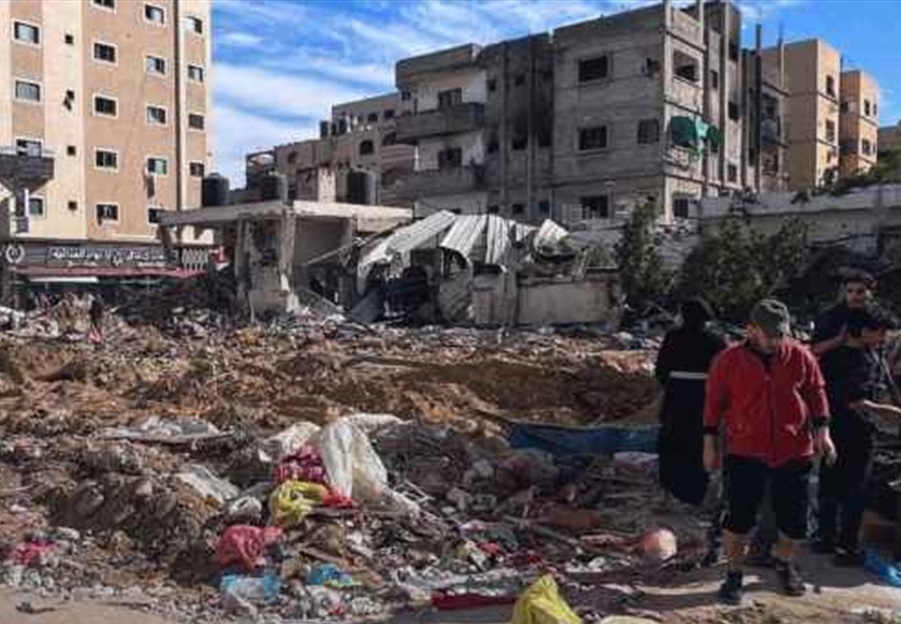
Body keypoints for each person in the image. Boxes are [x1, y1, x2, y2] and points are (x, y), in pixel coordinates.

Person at [704, 299, 836, 604]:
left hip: (794, 450)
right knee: (739, 519)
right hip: (745, 450)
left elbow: (816, 394)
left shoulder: (800, 356)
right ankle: (734, 575)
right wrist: (709, 445)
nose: (776, 340)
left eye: (781, 334)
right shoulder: (728, 360)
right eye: (770, 334)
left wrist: (824, 433)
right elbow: (713, 404)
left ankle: (784, 562)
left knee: (795, 522)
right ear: (751, 330)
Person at [815, 306, 901, 565]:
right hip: (853, 431)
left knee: (831, 484)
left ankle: (826, 537)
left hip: (835, 428)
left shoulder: (855, 355)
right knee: (853, 490)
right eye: (880, 332)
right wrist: (891, 411)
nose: (883, 338)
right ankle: (846, 547)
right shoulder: (853, 360)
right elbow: (856, 402)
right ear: (864, 332)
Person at [655, 298, 728, 506]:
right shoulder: (716, 340)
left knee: (673, 441)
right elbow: (725, 373)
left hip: (676, 398)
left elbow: (661, 371)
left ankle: (671, 488)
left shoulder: (672, 337)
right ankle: (696, 491)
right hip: (703, 398)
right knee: (700, 442)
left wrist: (673, 386)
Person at [811, 270, 876, 357]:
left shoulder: (874, 314)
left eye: (860, 292)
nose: (854, 296)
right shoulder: (831, 316)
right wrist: (839, 340)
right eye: (850, 291)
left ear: (869, 293)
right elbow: (815, 348)